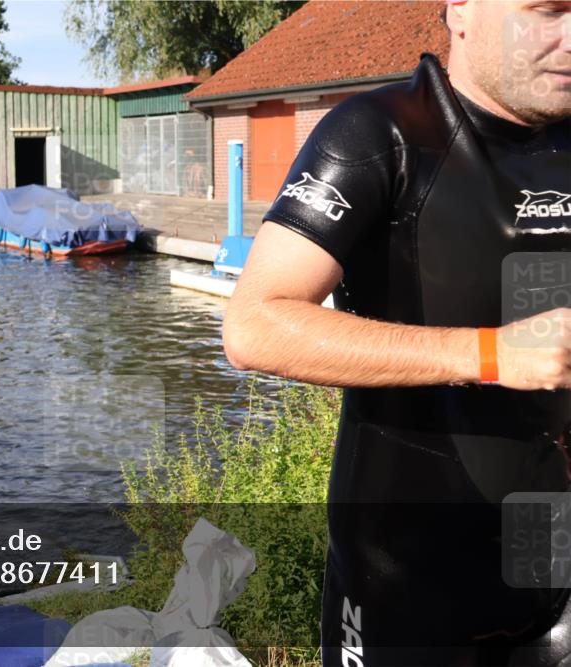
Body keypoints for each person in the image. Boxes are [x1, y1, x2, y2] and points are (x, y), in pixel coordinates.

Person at [221, 1, 570, 665]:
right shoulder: (377, 135)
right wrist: (493, 353)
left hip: (551, 571)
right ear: (462, 9)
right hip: (404, 585)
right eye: (548, 10)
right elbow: (254, 323)